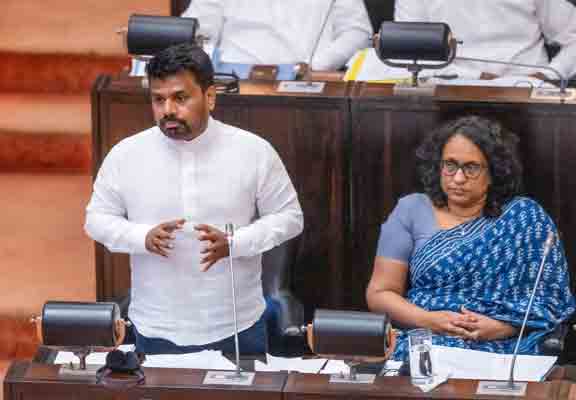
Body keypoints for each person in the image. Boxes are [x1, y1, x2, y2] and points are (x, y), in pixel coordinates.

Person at [85, 43, 304, 355]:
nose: (168, 110)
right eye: (158, 99)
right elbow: (96, 219)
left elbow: (290, 217)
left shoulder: (253, 151)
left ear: (210, 96)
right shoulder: (126, 155)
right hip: (156, 326)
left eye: (180, 98)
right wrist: (141, 237)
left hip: (237, 325)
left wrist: (236, 243)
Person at [366, 116, 575, 360]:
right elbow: (380, 293)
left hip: (505, 347)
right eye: (450, 165)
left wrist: (502, 328)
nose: (458, 178)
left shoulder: (525, 217)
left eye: (471, 168)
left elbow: (550, 301)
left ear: (494, 172)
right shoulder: (410, 210)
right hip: (426, 340)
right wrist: (430, 320)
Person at [394, 0, 576, 80]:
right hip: (447, 95)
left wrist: (547, 76)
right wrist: (475, 77)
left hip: (528, 96)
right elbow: (407, 56)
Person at [181, 0, 373, 71]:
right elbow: (193, 32)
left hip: (307, 85)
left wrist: (319, 66)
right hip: (233, 83)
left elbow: (357, 32)